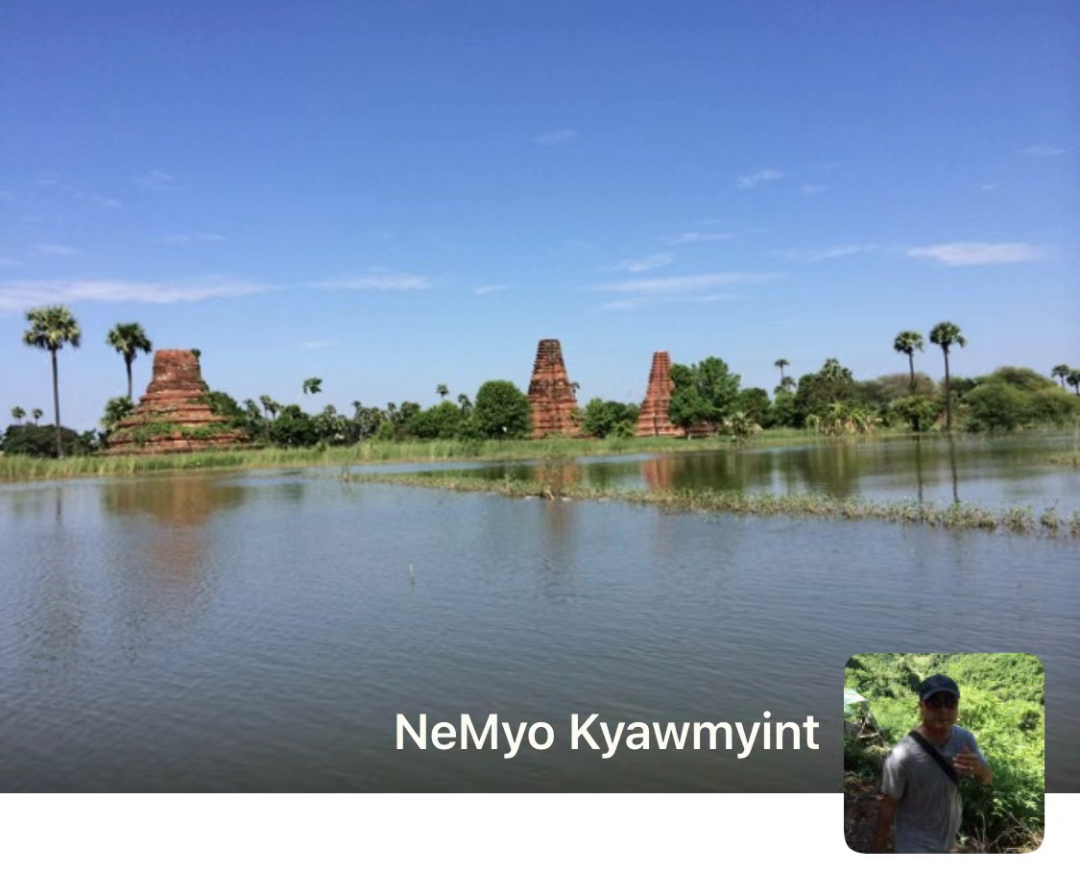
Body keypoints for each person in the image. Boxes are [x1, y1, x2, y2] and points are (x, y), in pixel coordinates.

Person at [872, 673, 992, 853]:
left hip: (948, 839)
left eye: (950, 702)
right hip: (914, 843)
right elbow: (888, 805)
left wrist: (978, 770)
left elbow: (987, 779)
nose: (943, 710)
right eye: (935, 703)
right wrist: (877, 850)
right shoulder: (901, 756)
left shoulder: (964, 739)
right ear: (921, 706)